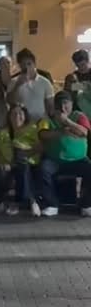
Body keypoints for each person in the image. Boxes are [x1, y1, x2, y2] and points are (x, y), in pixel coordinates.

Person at [38, 89, 91, 217]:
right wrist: (61, 132)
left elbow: (84, 132)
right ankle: (52, 204)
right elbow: (42, 134)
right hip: (55, 160)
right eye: (59, 104)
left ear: (71, 104)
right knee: (44, 169)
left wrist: (67, 121)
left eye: (66, 103)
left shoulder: (79, 116)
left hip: (78, 160)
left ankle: (86, 204)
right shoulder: (47, 118)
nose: (63, 107)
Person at [0, 104, 43, 217]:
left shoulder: (32, 129)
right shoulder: (2, 133)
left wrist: (27, 151)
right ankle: (0, 202)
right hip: (8, 163)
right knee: (0, 172)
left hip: (29, 162)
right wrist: (3, 163)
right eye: (13, 114)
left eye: (20, 114)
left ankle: (27, 202)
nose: (17, 116)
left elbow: (40, 147)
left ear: (25, 116)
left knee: (22, 166)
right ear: (9, 117)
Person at [7, 49, 54, 122]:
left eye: (29, 64)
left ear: (34, 64)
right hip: (21, 122)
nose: (26, 67)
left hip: (40, 122)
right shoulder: (14, 82)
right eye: (23, 64)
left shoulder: (45, 82)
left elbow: (50, 105)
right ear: (19, 65)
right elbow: (9, 101)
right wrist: (18, 85)